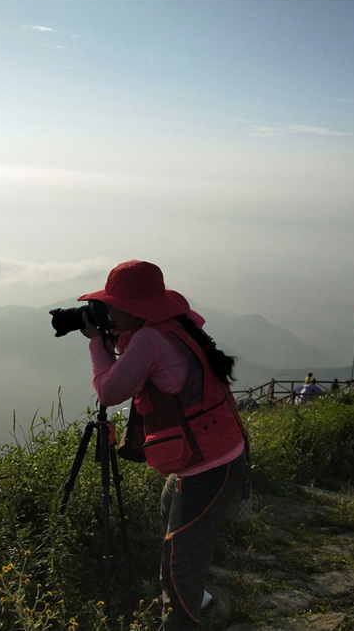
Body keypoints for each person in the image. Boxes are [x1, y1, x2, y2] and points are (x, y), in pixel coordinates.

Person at [77, 260, 248, 630]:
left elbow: (110, 390)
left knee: (179, 558)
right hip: (216, 453)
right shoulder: (172, 323)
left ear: (133, 308)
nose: (105, 311)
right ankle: (194, 596)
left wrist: (95, 342)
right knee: (172, 522)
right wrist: (112, 338)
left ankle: (181, 617)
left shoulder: (149, 339)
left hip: (208, 463)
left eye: (110, 305)